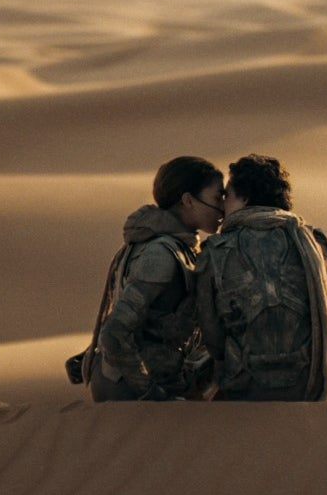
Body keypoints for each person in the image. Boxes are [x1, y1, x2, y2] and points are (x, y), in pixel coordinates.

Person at [197, 154, 327, 402]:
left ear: (244, 197)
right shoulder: (311, 240)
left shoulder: (214, 250)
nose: (223, 205)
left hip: (242, 390)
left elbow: (212, 336)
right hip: (313, 390)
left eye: (228, 195)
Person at [71, 156, 226, 401]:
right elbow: (114, 332)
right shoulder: (161, 253)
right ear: (188, 200)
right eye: (217, 197)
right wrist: (150, 394)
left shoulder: (170, 246)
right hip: (129, 389)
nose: (223, 208)